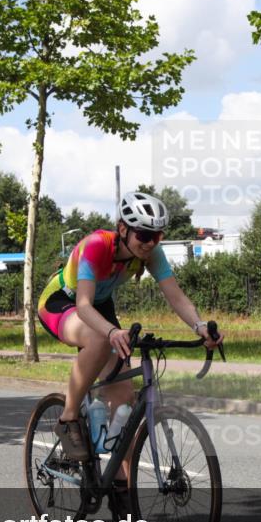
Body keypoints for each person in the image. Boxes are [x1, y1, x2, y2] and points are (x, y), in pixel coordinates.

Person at [37, 191, 223, 461]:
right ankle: (68, 419)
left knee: (124, 399)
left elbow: (176, 296)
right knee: (100, 339)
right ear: (123, 229)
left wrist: (200, 326)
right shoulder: (96, 245)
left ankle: (122, 494)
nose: (150, 243)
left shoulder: (150, 254)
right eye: (144, 235)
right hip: (62, 302)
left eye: (156, 236)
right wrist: (111, 331)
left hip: (99, 307)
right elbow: (84, 304)